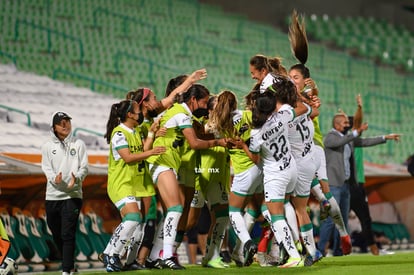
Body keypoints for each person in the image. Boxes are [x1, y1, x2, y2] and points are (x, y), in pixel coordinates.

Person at [146, 84, 230, 270]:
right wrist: (219, 142)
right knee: (176, 209)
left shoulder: (182, 114)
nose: (206, 104)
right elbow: (194, 143)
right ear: (193, 100)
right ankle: (167, 255)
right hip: (165, 162)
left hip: (173, 164)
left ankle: (156, 255)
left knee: (180, 214)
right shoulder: (181, 115)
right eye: (204, 100)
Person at [319, 97, 400, 256]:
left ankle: (338, 251)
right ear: (337, 125)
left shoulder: (349, 140)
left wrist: (386, 137)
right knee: (330, 220)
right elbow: (345, 138)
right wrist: (357, 127)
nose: (347, 125)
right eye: (345, 123)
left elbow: (365, 141)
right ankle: (320, 251)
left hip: (347, 186)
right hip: (333, 185)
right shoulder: (330, 137)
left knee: (342, 222)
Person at [246, 76, 311, 268]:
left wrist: (242, 145)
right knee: (284, 206)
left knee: (274, 215)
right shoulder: (283, 113)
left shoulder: (256, 134)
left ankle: (294, 255)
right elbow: (306, 109)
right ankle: (293, 242)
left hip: (276, 175)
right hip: (291, 170)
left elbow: (255, 159)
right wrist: (301, 95)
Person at [102, 99, 166, 272]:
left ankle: (121, 259)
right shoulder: (119, 133)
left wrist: (152, 134)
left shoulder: (135, 131)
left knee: (138, 225)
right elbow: (129, 157)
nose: (140, 113)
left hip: (134, 184)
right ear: (129, 114)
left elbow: (141, 150)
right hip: (120, 184)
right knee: (134, 218)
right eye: (138, 110)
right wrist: (151, 152)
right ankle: (112, 254)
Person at [41, 111, 88, 275]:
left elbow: (84, 167)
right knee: (55, 232)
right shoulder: (47, 147)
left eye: (67, 121)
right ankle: (71, 265)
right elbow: (46, 167)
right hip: (52, 195)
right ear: (54, 127)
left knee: (68, 233)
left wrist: (78, 178)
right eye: (61, 122)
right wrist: (55, 178)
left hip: (72, 195)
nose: (65, 125)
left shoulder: (79, 144)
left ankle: (66, 270)